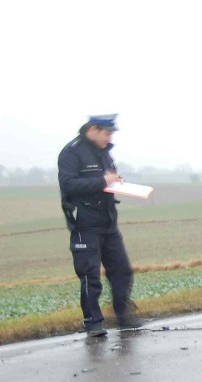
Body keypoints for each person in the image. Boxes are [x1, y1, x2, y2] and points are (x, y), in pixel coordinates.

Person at [58, 114, 141, 337]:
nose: (110, 137)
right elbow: (69, 185)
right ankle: (93, 324)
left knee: (122, 271)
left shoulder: (104, 152)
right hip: (85, 224)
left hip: (109, 224)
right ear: (92, 129)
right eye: (107, 132)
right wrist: (103, 181)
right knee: (90, 276)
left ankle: (124, 317)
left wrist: (117, 182)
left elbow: (107, 179)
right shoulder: (71, 152)